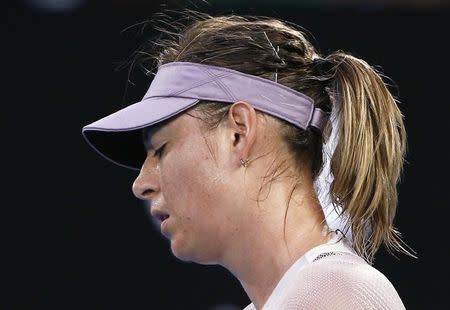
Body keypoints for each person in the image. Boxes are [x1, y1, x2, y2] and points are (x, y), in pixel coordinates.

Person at [82, 11, 415, 310]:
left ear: (238, 133)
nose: (141, 184)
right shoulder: (319, 292)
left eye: (161, 149)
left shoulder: (334, 295)